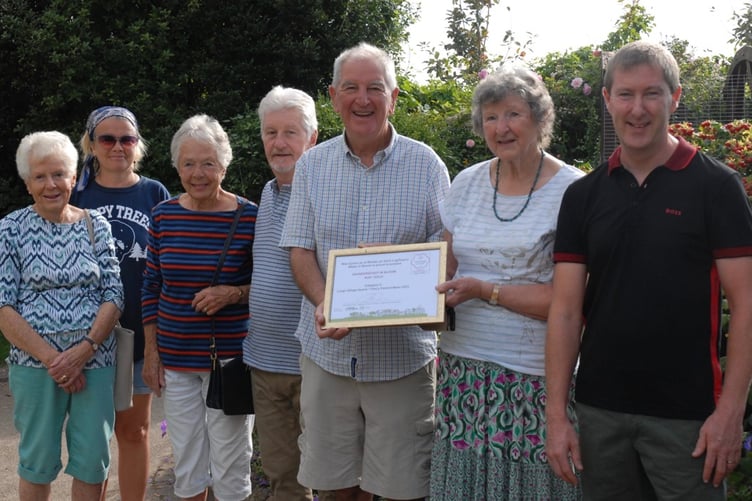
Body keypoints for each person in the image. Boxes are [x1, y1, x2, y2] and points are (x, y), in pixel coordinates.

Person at [545, 40, 752, 500]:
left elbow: (746, 304)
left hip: (689, 419)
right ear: (607, 99)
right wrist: (557, 416)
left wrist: (730, 413)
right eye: (625, 94)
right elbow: (564, 312)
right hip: (600, 414)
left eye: (652, 94)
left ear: (675, 98)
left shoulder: (716, 188)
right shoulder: (583, 196)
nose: (638, 109)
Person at [280, 42, 450, 501]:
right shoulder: (312, 165)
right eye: (351, 88)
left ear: (393, 97)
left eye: (375, 87)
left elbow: (446, 254)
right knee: (336, 488)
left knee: (403, 490)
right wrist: (324, 304)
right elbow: (299, 250)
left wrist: (402, 269)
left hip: (402, 361)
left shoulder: (427, 165)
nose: (363, 99)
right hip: (328, 358)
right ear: (334, 97)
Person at [429, 66, 583, 500]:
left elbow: (572, 301)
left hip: (535, 378)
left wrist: (485, 291)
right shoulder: (466, 183)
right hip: (463, 375)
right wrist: (390, 288)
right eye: (491, 117)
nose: (501, 127)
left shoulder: (573, 191)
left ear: (538, 119)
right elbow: (445, 266)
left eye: (513, 114)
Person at [0, 131, 124, 500]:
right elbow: (3, 305)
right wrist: (56, 361)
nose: (51, 184)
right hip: (36, 366)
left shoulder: (96, 224)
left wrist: (83, 351)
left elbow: (114, 295)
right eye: (40, 176)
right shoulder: (9, 229)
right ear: (27, 183)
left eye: (59, 174)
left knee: (93, 460)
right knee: (36, 461)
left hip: (96, 361)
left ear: (74, 178)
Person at [141, 114, 257, 501]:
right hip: (176, 359)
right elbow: (151, 285)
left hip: (230, 361)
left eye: (208, 163)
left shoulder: (250, 217)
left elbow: (272, 286)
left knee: (231, 461)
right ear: (176, 166)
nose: (198, 173)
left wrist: (233, 293)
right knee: (188, 462)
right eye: (188, 163)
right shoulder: (163, 215)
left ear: (224, 165)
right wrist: (152, 352)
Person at [70, 105, 170, 501]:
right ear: (91, 143)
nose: (117, 147)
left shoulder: (154, 192)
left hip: (138, 333)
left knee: (135, 431)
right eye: (107, 139)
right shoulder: (75, 192)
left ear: (137, 144)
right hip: (84, 335)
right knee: (92, 440)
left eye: (126, 139)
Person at [242, 85, 318, 501]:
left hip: (316, 363)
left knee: (333, 474)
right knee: (283, 476)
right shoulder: (266, 196)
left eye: (291, 132)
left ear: (313, 138)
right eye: (271, 133)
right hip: (265, 363)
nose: (279, 142)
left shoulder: (325, 194)